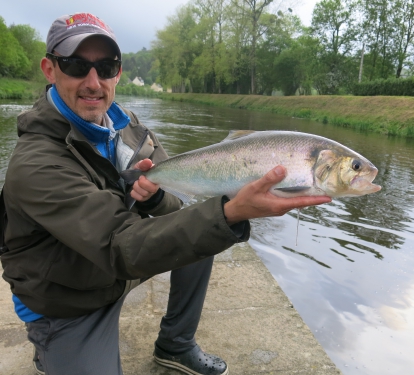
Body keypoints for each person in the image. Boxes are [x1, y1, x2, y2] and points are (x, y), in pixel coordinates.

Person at [0, 12, 331, 375]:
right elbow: (119, 245)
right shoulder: (36, 164)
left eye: (106, 66)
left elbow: (177, 209)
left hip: (115, 272)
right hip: (66, 297)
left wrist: (156, 198)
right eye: (77, 65)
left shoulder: (129, 128)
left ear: (118, 73)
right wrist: (231, 213)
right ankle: (50, 347)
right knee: (212, 222)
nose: (93, 82)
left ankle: (175, 345)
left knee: (201, 234)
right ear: (50, 70)